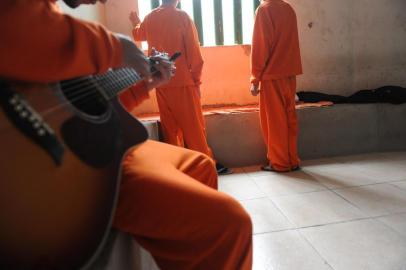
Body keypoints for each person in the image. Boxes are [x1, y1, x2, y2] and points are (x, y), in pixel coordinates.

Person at [0, 1, 252, 269]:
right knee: (229, 223)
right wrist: (115, 47)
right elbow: (10, 31)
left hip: (80, 136)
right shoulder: (181, 18)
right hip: (39, 163)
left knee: (199, 166)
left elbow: (80, 100)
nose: (100, 2)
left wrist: (144, 85)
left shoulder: (56, 16)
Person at [129, 0, 232, 175]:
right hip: (183, 82)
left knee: (170, 130)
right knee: (194, 129)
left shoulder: (150, 17)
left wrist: (135, 21)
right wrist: (196, 81)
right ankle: (206, 166)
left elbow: (139, 35)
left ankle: (178, 169)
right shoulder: (182, 17)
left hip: (160, 82)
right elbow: (194, 53)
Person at [250, 0, 303, 172]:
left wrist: (255, 78)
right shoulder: (288, 9)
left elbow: (260, 47)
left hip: (272, 75)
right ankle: (292, 159)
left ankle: (280, 162)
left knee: (274, 121)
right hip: (290, 73)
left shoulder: (264, 10)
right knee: (289, 119)